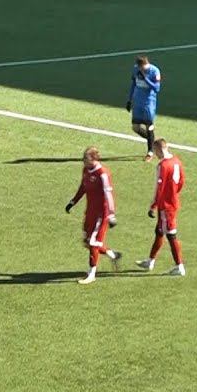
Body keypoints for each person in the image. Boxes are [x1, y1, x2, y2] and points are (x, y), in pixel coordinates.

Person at [66, 146, 122, 284]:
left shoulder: (103, 174)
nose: (83, 161)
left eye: (85, 158)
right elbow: (83, 187)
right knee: (87, 242)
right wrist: (73, 201)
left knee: (93, 242)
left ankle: (92, 274)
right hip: (90, 212)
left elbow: (109, 195)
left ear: (94, 159)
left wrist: (111, 215)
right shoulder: (86, 170)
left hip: (101, 214)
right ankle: (113, 254)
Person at [137, 139, 186, 276]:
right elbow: (181, 181)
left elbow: (159, 187)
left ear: (159, 149)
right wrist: (173, 193)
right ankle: (150, 261)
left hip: (165, 205)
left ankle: (179, 266)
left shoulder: (162, 165)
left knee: (170, 234)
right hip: (173, 202)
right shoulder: (177, 161)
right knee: (159, 231)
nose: (155, 154)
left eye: (155, 151)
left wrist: (153, 205)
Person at [126, 55, 162, 161]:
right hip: (137, 102)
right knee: (135, 127)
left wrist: (146, 79)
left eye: (142, 68)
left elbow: (157, 88)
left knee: (149, 126)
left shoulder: (154, 71)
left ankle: (150, 152)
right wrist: (129, 100)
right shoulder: (136, 69)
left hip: (148, 103)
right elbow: (133, 84)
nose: (141, 70)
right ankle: (153, 141)